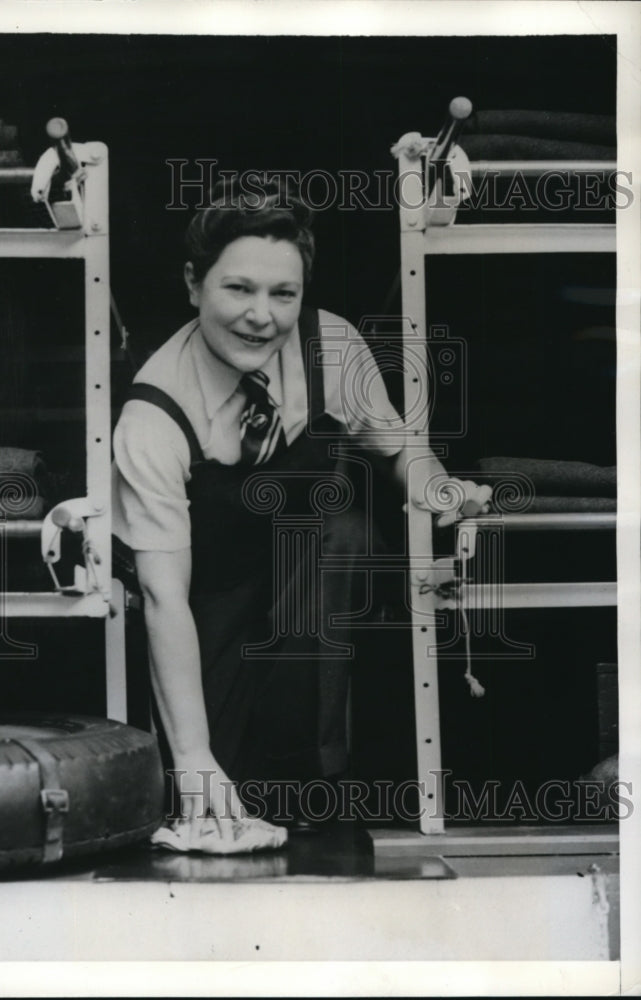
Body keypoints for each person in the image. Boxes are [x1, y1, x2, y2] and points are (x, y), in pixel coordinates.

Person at [112, 176, 488, 853]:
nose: (262, 315)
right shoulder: (152, 414)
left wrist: (435, 488)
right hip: (209, 614)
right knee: (207, 803)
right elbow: (164, 597)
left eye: (282, 294)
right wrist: (194, 757)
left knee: (332, 520)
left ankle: (321, 781)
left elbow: (401, 446)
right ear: (194, 283)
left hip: (316, 602)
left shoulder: (330, 347)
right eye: (238, 289)